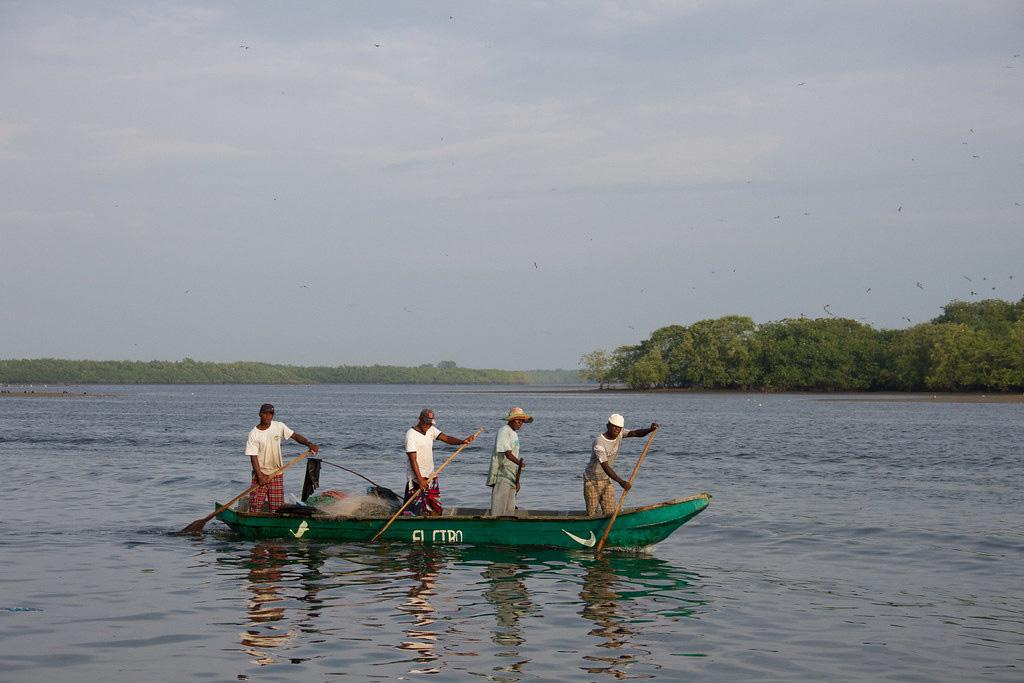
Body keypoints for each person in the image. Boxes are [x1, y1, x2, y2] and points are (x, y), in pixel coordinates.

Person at [245, 403, 319, 513]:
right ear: (260, 414)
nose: (268, 416)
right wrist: (260, 476)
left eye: (271, 414)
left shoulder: (278, 426)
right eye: (265, 413)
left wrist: (309, 444)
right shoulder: (254, 434)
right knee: (255, 506)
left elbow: (295, 436)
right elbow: (253, 457)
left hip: (276, 473)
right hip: (260, 474)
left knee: (277, 508)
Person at [404, 408, 477, 516]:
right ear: (420, 419)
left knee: (435, 508)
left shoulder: (431, 430)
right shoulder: (411, 434)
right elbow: (412, 459)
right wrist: (419, 479)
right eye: (426, 423)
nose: (428, 426)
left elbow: (446, 438)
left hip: (430, 476)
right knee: (412, 511)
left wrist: (462, 441)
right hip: (416, 478)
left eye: (430, 423)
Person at [583, 413, 658, 516]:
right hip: (591, 480)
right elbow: (605, 467)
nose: (616, 430)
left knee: (610, 512)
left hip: (606, 479)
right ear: (608, 425)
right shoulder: (599, 443)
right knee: (592, 514)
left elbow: (635, 433)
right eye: (614, 427)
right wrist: (621, 482)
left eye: (619, 428)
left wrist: (650, 430)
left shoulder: (620, 434)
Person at [487, 407, 532, 516]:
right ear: (511, 420)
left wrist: (517, 481)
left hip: (511, 476)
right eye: (518, 420)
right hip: (502, 475)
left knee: (509, 511)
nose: (520, 423)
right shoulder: (504, 430)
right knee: (498, 511)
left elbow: (513, 458)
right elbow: (507, 453)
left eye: (522, 421)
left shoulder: (514, 433)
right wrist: (519, 463)